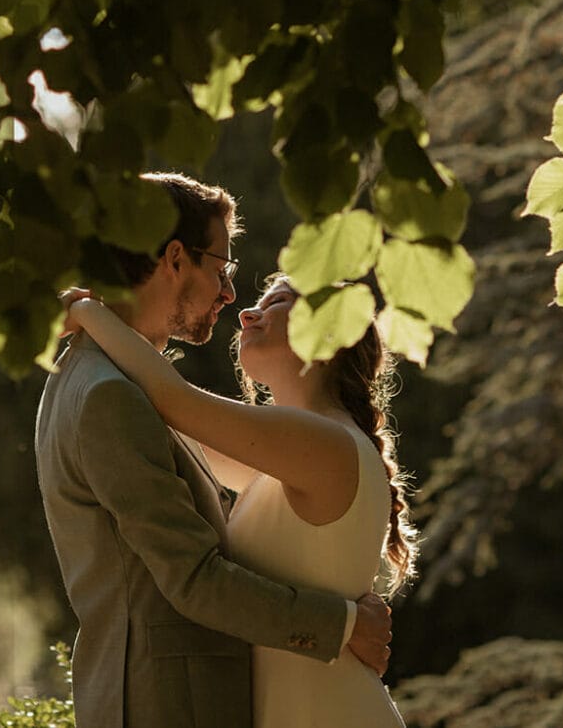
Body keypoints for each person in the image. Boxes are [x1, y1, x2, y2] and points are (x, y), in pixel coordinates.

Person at [34, 172, 393, 728]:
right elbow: (196, 575)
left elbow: (173, 400)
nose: (235, 299)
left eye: (274, 303)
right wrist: (344, 624)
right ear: (175, 259)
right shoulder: (112, 395)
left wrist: (88, 314)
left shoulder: (317, 443)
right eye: (222, 267)